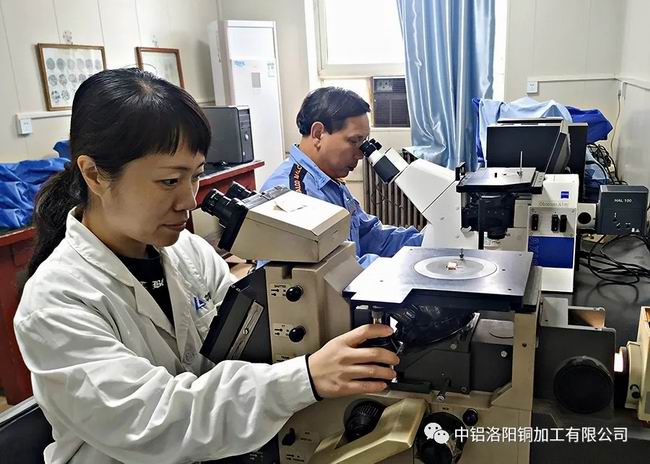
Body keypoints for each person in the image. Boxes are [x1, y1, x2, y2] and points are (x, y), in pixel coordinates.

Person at [13, 69, 399, 464]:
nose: (189, 201)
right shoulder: (56, 301)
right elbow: (152, 421)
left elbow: (241, 351)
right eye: (169, 181)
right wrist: (306, 377)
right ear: (94, 174)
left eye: (195, 177)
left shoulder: (190, 253)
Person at [261, 87, 423, 268]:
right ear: (318, 134)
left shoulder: (329, 180)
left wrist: (427, 242)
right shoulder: (293, 193)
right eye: (354, 141)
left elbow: (370, 236)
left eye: (363, 143)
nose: (361, 154)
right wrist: (404, 268)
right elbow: (336, 270)